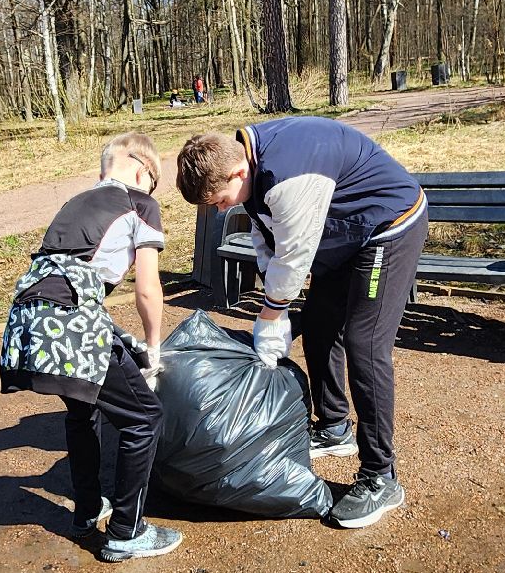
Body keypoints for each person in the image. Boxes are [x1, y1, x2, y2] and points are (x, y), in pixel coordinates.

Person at [176, 117, 429, 529]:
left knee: (365, 345)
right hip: (345, 233)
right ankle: (334, 427)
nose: (223, 208)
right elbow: (267, 241)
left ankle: (381, 477)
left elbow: (294, 255)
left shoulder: (287, 175)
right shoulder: (251, 165)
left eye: (221, 200)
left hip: (388, 226)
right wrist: (273, 304)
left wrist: (271, 313)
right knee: (319, 322)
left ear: (238, 171)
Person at [0, 132, 181, 562]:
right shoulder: (141, 203)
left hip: (28, 323)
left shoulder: (76, 203)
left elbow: (67, 280)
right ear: (143, 171)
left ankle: (87, 509)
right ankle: (127, 531)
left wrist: (123, 343)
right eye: (151, 183)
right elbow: (148, 290)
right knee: (143, 417)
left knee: (84, 410)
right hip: (70, 323)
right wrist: (153, 350)